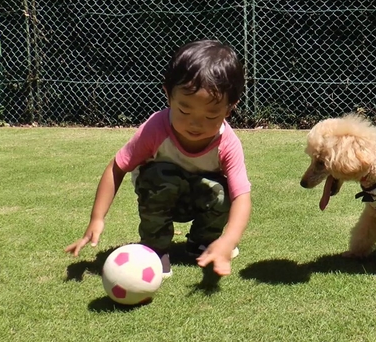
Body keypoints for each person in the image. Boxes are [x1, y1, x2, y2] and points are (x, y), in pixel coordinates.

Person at [64, 40, 251, 279]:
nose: (195, 123)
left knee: (222, 191)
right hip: (159, 196)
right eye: (184, 110)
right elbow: (117, 167)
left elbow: (241, 197)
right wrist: (97, 218)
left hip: (198, 199)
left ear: (229, 108)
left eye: (211, 115)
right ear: (168, 94)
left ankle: (202, 242)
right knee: (162, 175)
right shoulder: (154, 129)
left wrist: (228, 239)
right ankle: (156, 248)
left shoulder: (228, 143)